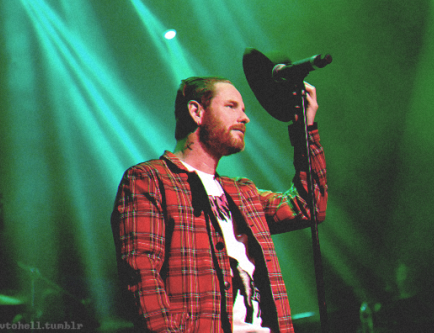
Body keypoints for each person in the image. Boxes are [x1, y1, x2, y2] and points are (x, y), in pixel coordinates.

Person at [111, 76, 328, 332]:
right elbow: (142, 276)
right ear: (196, 112)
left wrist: (305, 128)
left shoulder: (242, 192)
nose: (245, 118)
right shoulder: (150, 180)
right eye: (231, 106)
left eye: (243, 110)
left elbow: (308, 207)